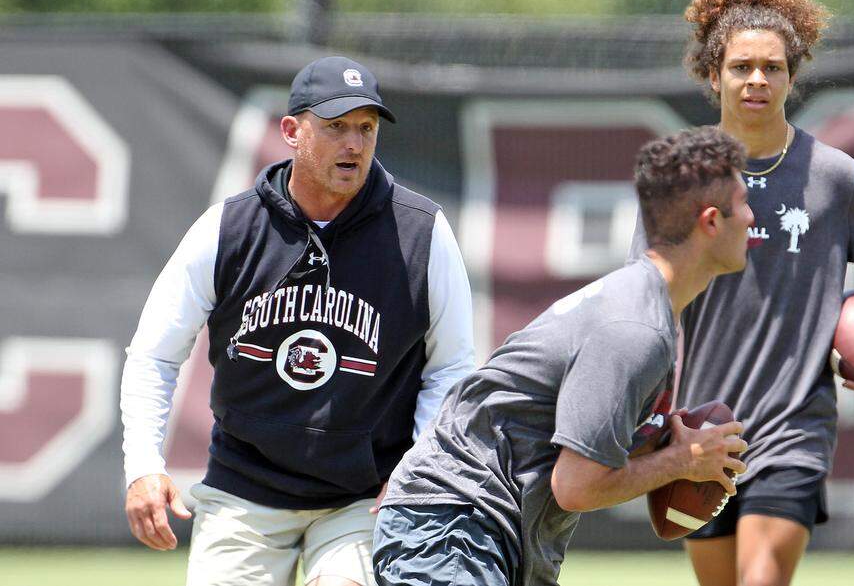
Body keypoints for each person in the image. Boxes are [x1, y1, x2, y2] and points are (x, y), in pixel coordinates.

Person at [120, 56, 476, 586]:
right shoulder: (231, 228)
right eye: (336, 127)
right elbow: (155, 353)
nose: (354, 145)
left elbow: (451, 366)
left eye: (366, 128)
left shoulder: (421, 233)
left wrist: (415, 476)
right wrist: (144, 465)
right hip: (245, 488)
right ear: (291, 131)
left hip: (365, 496)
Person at [634, 0, 854, 586]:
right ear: (713, 75)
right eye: (741, 66)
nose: (756, 80)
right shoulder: (680, 178)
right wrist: (647, 416)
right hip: (700, 431)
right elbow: (643, 299)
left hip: (795, 428)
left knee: (762, 577)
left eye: (772, 67)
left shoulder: (833, 177)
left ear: (793, 78)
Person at [373, 126, 752, 586]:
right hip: (452, 530)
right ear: (710, 222)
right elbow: (576, 486)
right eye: (743, 204)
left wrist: (655, 440)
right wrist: (685, 461)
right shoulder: (634, 328)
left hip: (470, 528)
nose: (751, 219)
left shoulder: (647, 303)